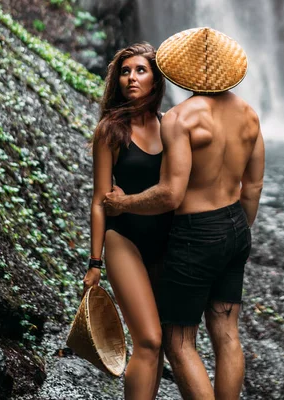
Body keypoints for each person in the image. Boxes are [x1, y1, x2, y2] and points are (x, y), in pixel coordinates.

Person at [103, 27, 265, 400]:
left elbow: (171, 195)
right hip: (236, 227)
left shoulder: (181, 118)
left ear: (183, 70)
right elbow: (253, 187)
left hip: (197, 233)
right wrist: (234, 232)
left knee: (178, 342)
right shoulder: (249, 115)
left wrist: (123, 202)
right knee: (226, 334)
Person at [82, 42, 171, 400]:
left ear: (156, 79)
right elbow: (99, 200)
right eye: (124, 71)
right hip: (125, 240)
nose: (131, 78)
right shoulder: (111, 130)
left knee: (160, 345)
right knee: (148, 340)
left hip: (166, 241)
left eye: (140, 70)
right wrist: (94, 261)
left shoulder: (170, 126)